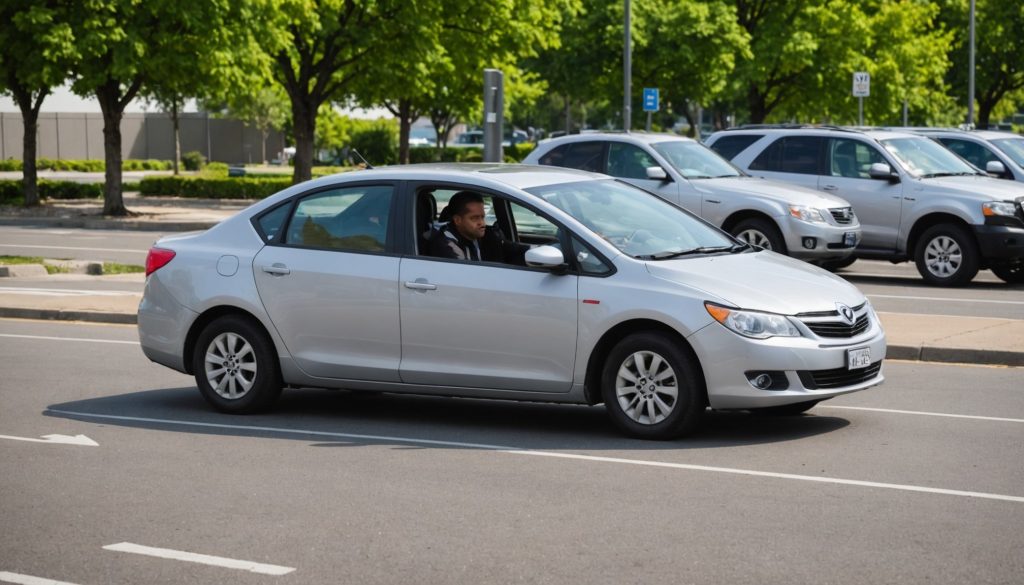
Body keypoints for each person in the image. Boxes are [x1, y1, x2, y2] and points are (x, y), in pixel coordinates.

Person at [428, 191, 527, 264]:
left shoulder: (485, 234)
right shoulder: (446, 245)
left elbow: (514, 249)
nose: (482, 223)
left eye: (483, 217)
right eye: (474, 218)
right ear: (458, 220)